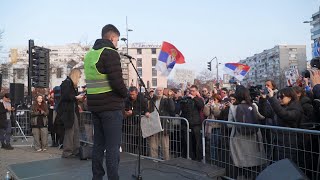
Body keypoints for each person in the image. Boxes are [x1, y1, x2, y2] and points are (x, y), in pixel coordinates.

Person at [84, 24, 127, 180]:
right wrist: (126, 94)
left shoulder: (89, 55)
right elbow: (117, 82)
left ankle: (97, 177)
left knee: (98, 146)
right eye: (117, 41)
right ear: (112, 38)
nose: (117, 44)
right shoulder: (110, 53)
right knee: (113, 148)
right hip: (111, 108)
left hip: (95, 108)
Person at [56, 68, 83, 158]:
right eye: (79, 77)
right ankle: (67, 152)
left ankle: (75, 150)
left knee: (75, 130)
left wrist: (77, 102)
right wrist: (76, 97)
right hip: (68, 112)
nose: (79, 79)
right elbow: (66, 96)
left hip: (72, 110)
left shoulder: (70, 84)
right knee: (70, 131)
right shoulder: (66, 83)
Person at [148, 87, 175, 160]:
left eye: (160, 90)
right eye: (157, 90)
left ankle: (166, 160)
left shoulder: (166, 99)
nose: (159, 92)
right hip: (154, 123)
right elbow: (149, 109)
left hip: (163, 123)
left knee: (164, 144)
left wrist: (169, 97)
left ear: (163, 91)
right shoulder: (152, 100)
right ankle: (154, 159)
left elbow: (172, 109)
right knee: (153, 144)